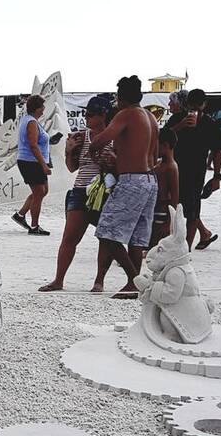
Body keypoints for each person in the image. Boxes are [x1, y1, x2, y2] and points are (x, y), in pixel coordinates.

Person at [89, 75, 160, 298]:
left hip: (132, 180)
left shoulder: (127, 114)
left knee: (106, 232)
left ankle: (134, 280)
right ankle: (132, 284)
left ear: (121, 98)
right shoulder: (151, 117)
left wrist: (96, 150)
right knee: (137, 238)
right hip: (150, 180)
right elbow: (154, 153)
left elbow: (100, 140)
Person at [40, 96, 116, 292]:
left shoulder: (114, 136)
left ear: (103, 115)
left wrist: (110, 160)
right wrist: (69, 150)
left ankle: (99, 281)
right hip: (81, 189)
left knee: (104, 239)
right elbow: (72, 167)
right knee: (70, 237)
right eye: (86, 114)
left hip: (104, 191)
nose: (86, 118)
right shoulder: (81, 137)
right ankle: (59, 279)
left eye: (90, 115)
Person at [169, 89, 221, 249]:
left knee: (192, 213)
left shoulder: (209, 123)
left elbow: (217, 150)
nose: (195, 109)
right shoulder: (177, 119)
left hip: (196, 173)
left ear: (204, 105)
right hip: (175, 170)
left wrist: (217, 177)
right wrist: (180, 126)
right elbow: (162, 138)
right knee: (171, 209)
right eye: (192, 105)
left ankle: (187, 250)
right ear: (187, 104)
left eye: (198, 105)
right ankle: (182, 244)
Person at [11, 95, 53, 236]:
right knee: (39, 192)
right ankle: (34, 226)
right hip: (31, 162)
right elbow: (33, 145)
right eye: (42, 107)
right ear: (36, 108)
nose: (43, 109)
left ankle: (20, 215)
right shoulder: (31, 123)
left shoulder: (30, 120)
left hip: (34, 161)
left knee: (43, 191)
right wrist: (44, 165)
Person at [151, 128, 180, 246]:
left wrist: (169, 222)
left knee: (156, 245)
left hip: (162, 212)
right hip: (155, 210)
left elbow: (175, 196)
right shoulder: (159, 164)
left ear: (165, 145)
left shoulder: (171, 167)